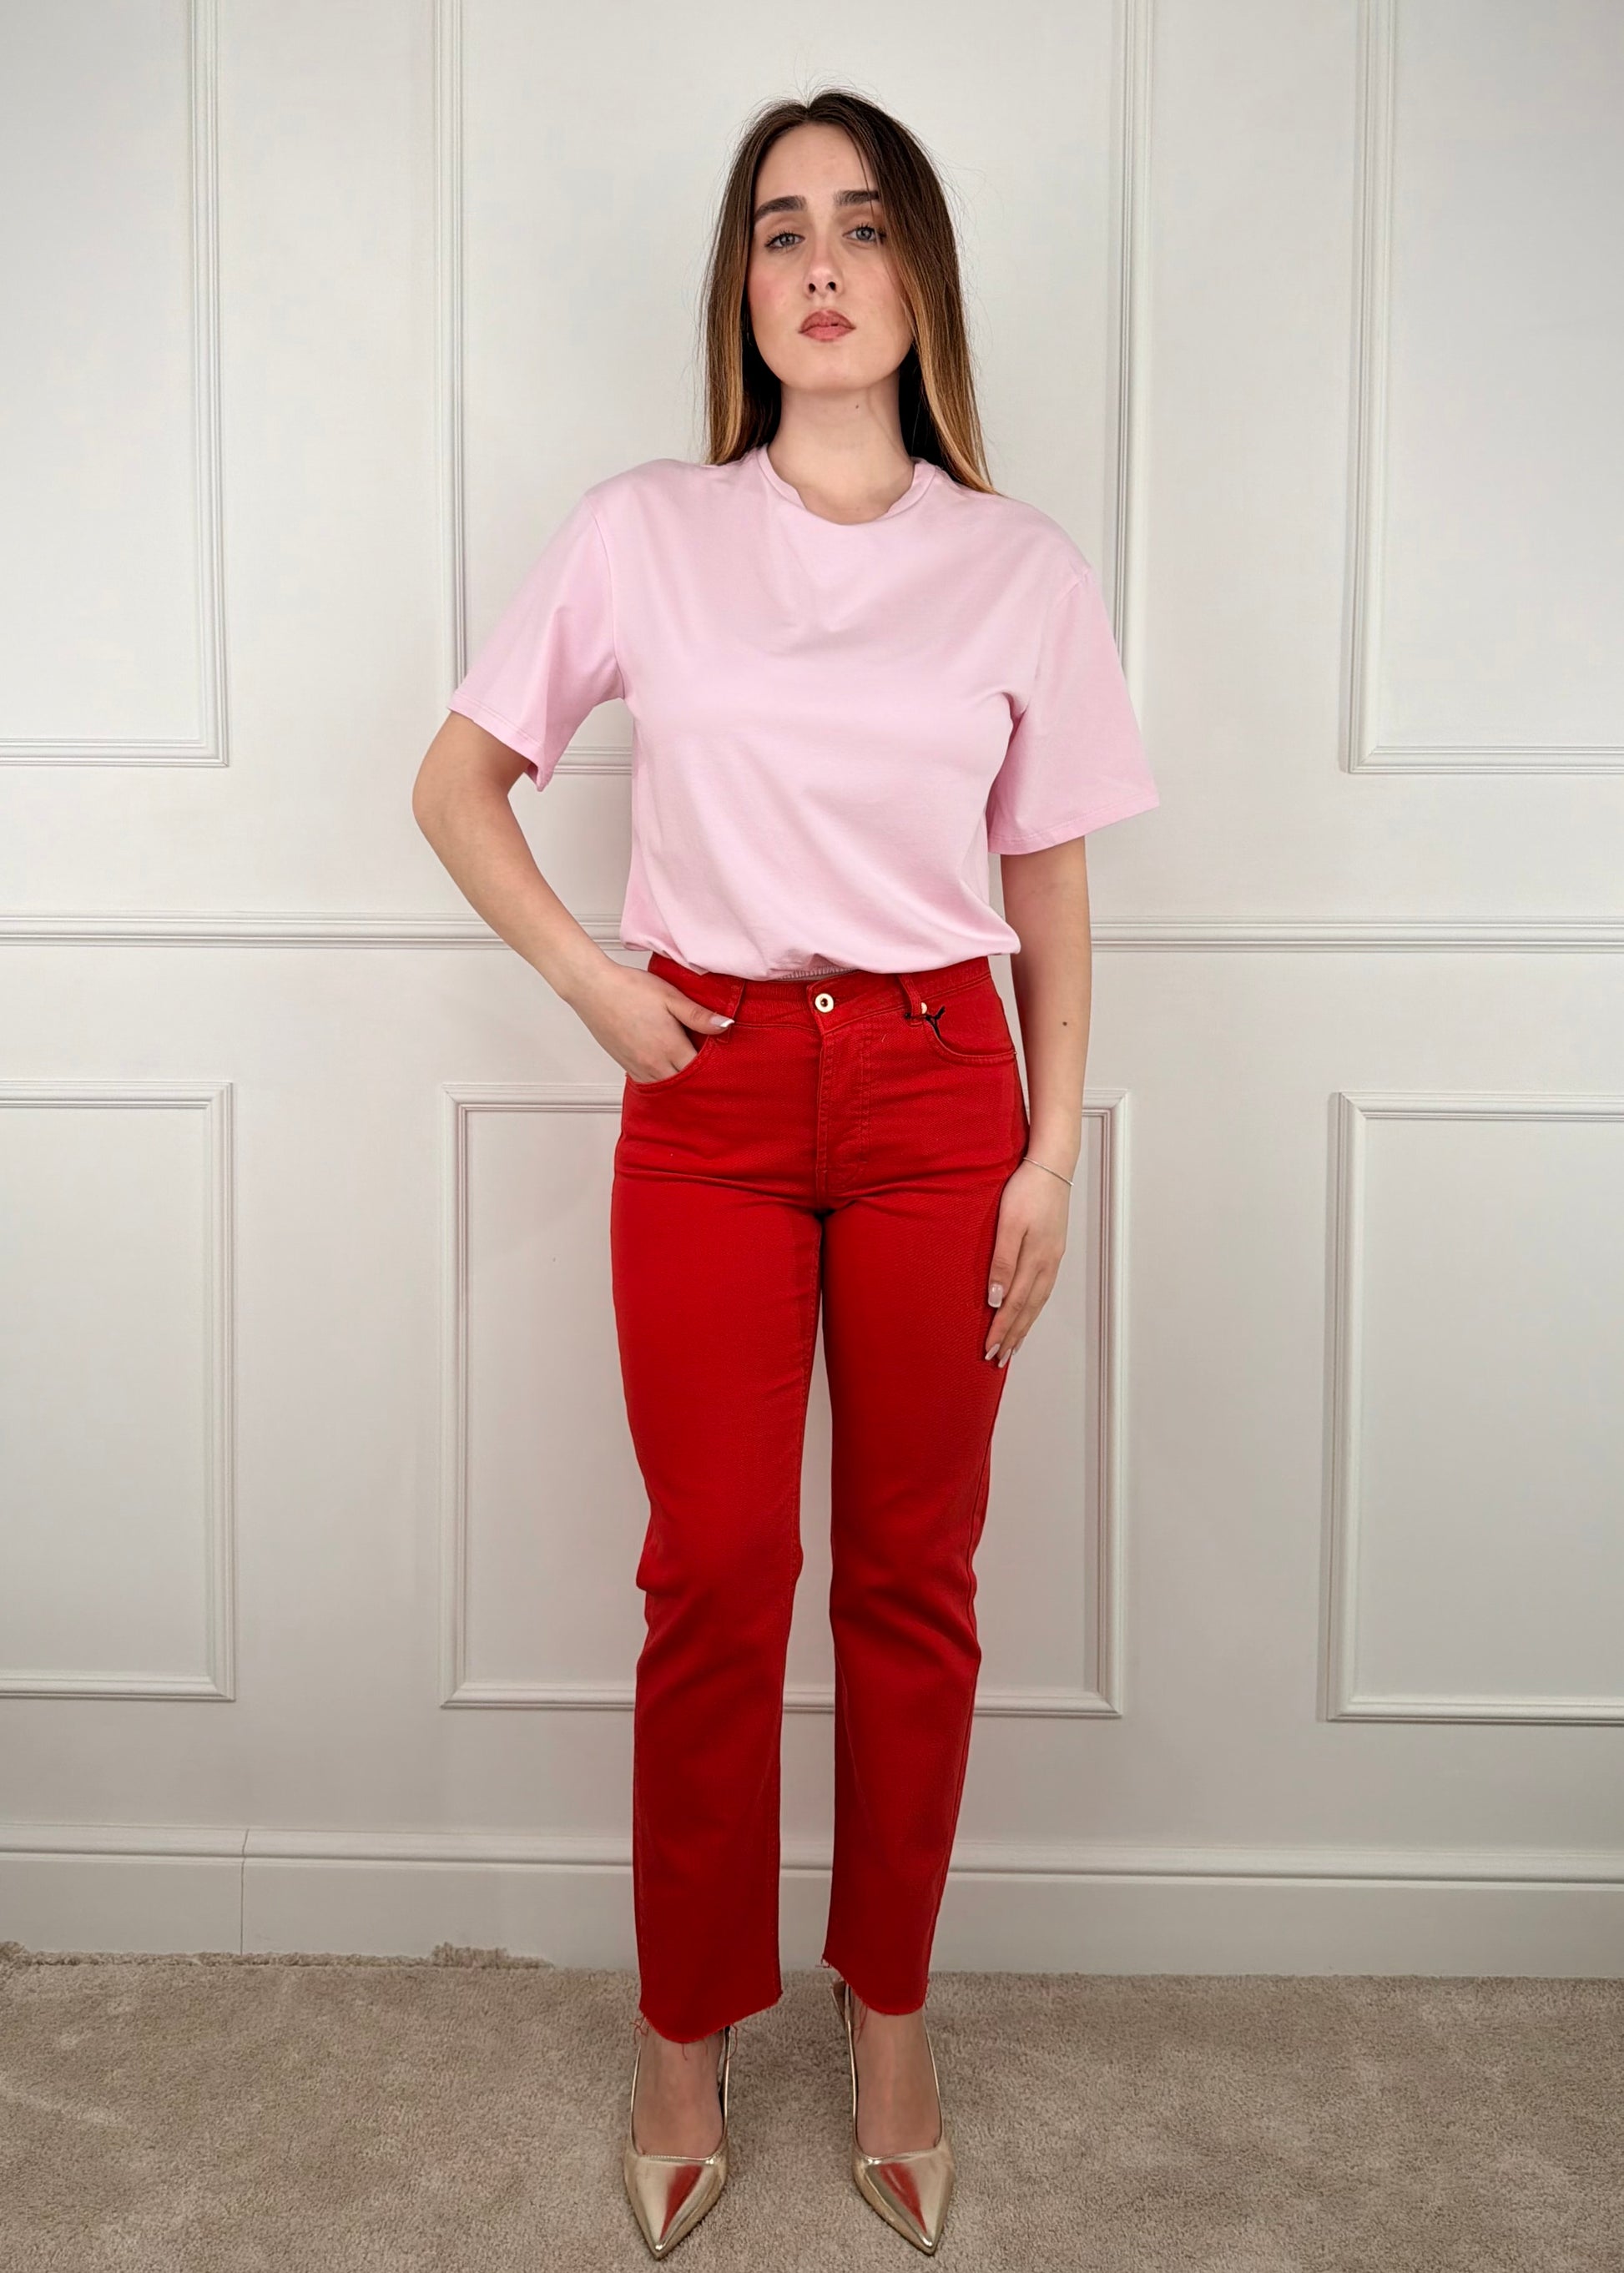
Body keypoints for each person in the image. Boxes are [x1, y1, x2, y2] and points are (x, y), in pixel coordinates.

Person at [412, 85, 1158, 2260]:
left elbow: (1049, 886)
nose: (819, 264)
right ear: (741, 290)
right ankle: (683, 2030)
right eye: (777, 230)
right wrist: (596, 983)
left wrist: (1051, 1153)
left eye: (860, 225)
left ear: (921, 275)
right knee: (716, 1576)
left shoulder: (1020, 567)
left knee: (914, 1579)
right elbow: (456, 782)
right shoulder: (644, 530)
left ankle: (890, 2017)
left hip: (938, 1093)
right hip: (713, 1096)